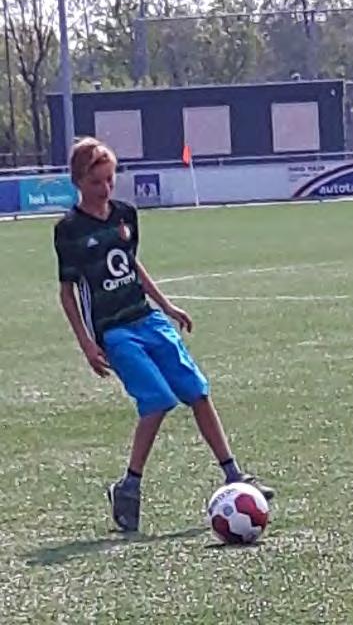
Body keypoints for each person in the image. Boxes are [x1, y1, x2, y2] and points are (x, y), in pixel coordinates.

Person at [54, 137, 274, 532]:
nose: (105, 190)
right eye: (96, 183)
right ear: (78, 182)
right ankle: (129, 486)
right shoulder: (68, 230)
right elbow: (68, 293)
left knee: (197, 389)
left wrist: (167, 306)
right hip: (114, 331)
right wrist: (87, 343)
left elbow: (133, 265)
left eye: (109, 180)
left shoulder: (125, 214)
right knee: (156, 400)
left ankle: (234, 474)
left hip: (147, 318)